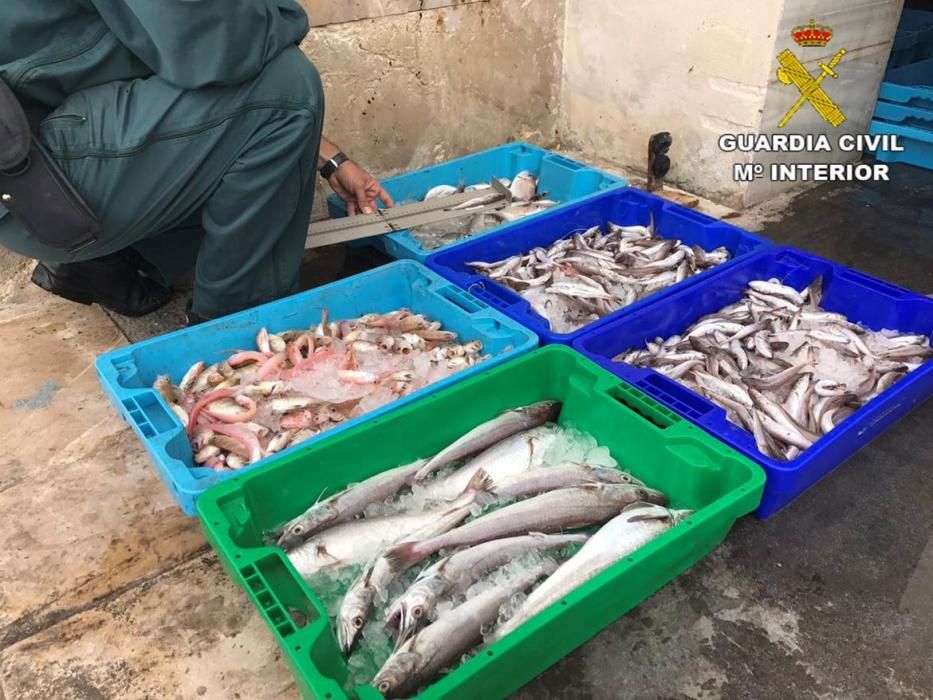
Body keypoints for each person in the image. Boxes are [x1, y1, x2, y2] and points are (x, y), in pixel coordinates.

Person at [0, 0, 393, 323]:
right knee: (291, 82)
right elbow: (218, 48)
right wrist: (285, 13)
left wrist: (329, 157)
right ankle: (237, 327)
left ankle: (128, 262)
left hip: (30, 172)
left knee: (273, 103)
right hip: (37, 187)